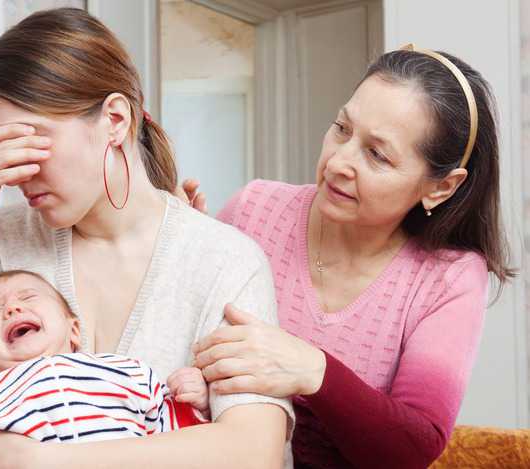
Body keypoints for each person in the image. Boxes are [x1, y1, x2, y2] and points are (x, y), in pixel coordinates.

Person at [0, 7, 294, 469]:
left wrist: (47, 463)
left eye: (32, 142)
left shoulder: (223, 259)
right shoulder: (1, 238)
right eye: (2, 149)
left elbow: (252, 451)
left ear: (115, 119)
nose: (17, 174)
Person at [184, 45, 513, 468]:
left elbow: (413, 449)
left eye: (377, 154)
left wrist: (314, 371)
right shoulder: (254, 209)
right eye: (341, 128)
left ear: (441, 188)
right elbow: (182, 353)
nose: (339, 161)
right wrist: (181, 252)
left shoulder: (447, 277)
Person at [0, 270, 210, 469]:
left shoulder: (126, 371)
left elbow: (168, 432)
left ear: (73, 330)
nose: (11, 309)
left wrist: (193, 403)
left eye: (29, 297)